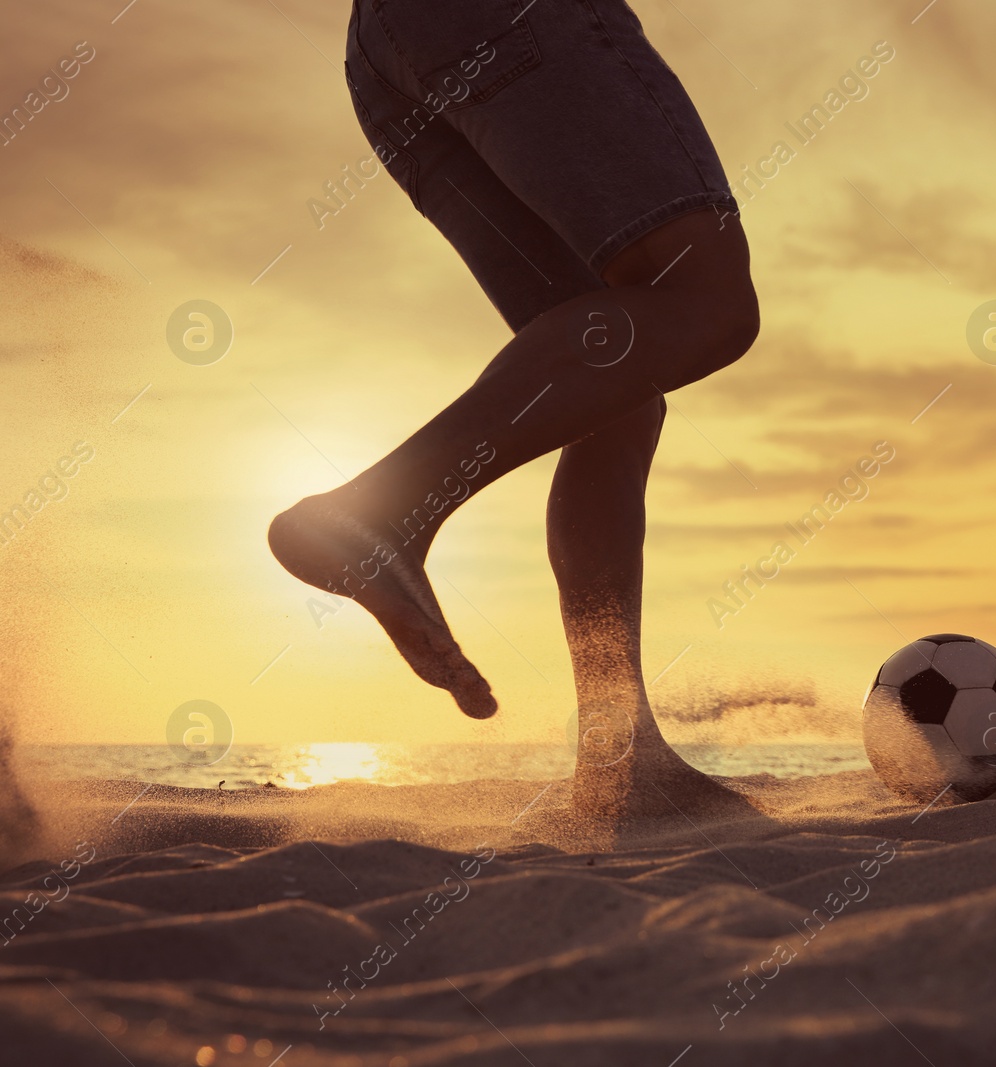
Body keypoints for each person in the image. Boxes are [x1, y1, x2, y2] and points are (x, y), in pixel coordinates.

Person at [269, 0, 759, 817]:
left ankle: (620, 760)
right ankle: (381, 509)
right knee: (706, 299)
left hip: (392, 50)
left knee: (612, 394)